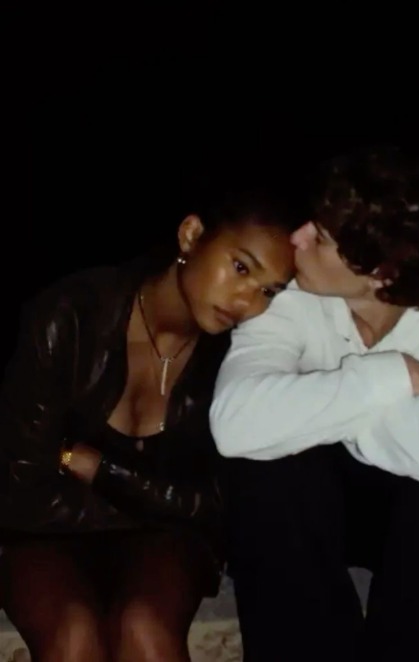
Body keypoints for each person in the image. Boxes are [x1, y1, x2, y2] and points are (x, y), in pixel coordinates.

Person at [210, 146, 419, 662]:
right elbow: (233, 423)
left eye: (320, 237)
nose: (296, 239)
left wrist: (324, 411)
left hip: (414, 522)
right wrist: (396, 375)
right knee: (267, 474)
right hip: (315, 514)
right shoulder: (290, 296)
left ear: (381, 271)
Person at [0, 187, 296, 662]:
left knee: (145, 627)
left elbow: (218, 503)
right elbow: (23, 492)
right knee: (73, 635)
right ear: (191, 235)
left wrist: (96, 468)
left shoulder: (241, 357)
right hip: (45, 531)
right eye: (242, 268)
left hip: (165, 541)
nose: (246, 300)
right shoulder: (72, 314)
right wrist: (164, 502)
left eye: (268, 291)